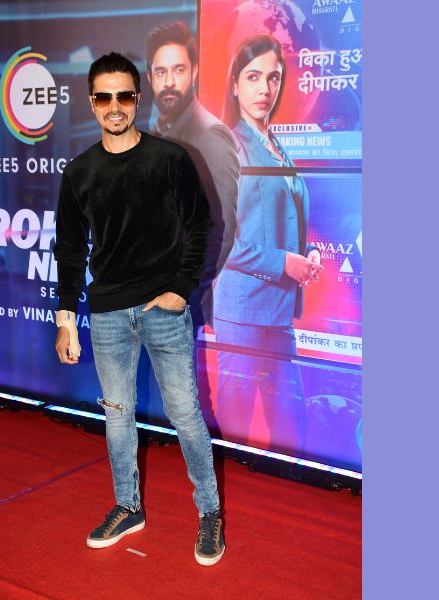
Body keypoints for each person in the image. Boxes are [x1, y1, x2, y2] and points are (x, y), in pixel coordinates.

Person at [52, 52, 225, 566]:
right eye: (104, 97)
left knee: (185, 415)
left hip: (163, 310)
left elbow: (201, 227)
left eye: (123, 95)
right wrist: (66, 319)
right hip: (107, 313)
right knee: (117, 417)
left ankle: (210, 511)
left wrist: (180, 290)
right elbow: (69, 250)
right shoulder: (79, 173)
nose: (114, 106)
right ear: (91, 102)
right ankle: (128, 507)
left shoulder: (170, 160)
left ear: (137, 98)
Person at [212, 34, 324, 452]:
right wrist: (284, 262)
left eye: (273, 78)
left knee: (293, 434)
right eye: (253, 76)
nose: (265, 88)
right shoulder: (227, 144)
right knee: (237, 433)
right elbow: (220, 237)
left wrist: (306, 253)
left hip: (278, 314)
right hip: (243, 314)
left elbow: (285, 218)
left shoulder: (277, 147)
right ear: (235, 84)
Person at [146, 21, 240, 328]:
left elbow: (221, 232)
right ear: (150, 77)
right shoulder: (157, 134)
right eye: (161, 72)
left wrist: (180, 295)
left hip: (178, 311)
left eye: (179, 70)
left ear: (194, 72)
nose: (170, 81)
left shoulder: (209, 134)